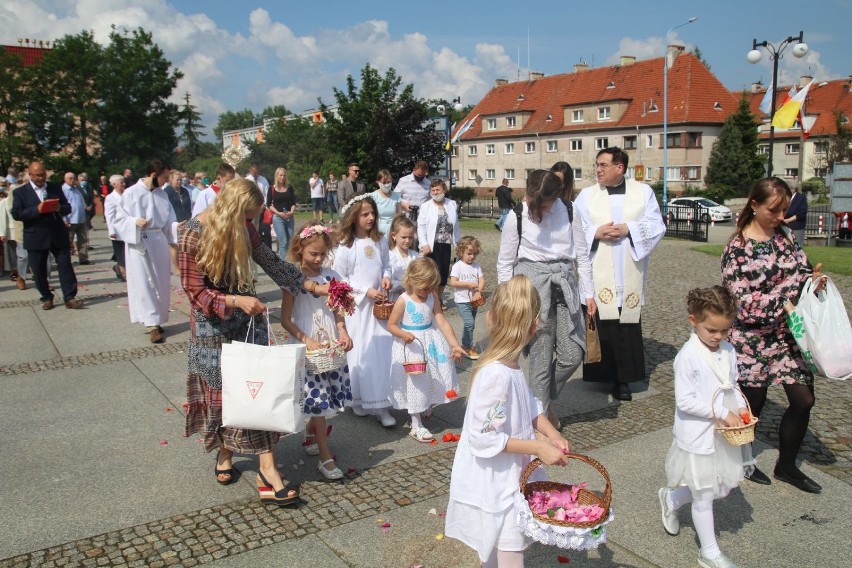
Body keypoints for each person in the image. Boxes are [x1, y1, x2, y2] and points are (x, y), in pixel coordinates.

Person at [179, 177, 306, 506]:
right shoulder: (192, 233)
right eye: (247, 217)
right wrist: (235, 301)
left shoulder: (245, 225)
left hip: (246, 323)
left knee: (257, 392)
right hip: (213, 329)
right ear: (231, 209)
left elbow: (268, 259)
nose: (251, 224)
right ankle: (224, 454)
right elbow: (196, 293)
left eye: (253, 218)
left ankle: (268, 470)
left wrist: (311, 285)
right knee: (226, 398)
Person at [445, 275, 571, 567]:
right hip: (496, 477)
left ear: (490, 318)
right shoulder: (496, 376)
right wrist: (537, 448)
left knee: (499, 544)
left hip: (509, 472)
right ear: (534, 326)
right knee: (510, 546)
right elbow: (484, 437)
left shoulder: (511, 367)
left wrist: (550, 433)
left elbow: (529, 405)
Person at [722, 176, 825, 494]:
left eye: (783, 210)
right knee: (753, 404)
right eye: (775, 210)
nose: (781, 216)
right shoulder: (736, 250)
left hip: (787, 336)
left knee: (804, 399)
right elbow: (745, 306)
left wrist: (813, 280)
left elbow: (802, 270)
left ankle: (787, 466)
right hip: (752, 339)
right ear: (754, 205)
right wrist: (789, 295)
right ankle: (742, 459)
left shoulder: (786, 236)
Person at [659, 286, 752, 568]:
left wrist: (742, 407)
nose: (718, 337)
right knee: (704, 494)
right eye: (712, 330)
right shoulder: (688, 356)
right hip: (698, 433)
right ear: (693, 321)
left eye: (725, 331)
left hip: (722, 432)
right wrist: (722, 412)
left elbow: (732, 384)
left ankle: (672, 498)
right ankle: (709, 553)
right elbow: (685, 401)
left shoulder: (727, 350)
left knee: (722, 486)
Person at [497, 170, 590, 426]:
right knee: (540, 356)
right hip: (533, 285)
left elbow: (581, 255)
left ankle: (537, 402)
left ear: (557, 196)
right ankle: (539, 420)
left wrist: (589, 293)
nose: (538, 211)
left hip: (564, 282)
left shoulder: (570, 211)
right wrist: (508, 300)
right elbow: (505, 262)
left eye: (545, 206)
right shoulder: (517, 214)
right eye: (532, 203)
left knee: (573, 354)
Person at [574, 147, 666, 401]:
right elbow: (575, 226)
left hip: (628, 272)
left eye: (603, 165)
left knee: (625, 325)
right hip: (598, 269)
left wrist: (629, 229)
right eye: (597, 165)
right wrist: (595, 232)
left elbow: (656, 225)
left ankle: (623, 379)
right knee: (601, 323)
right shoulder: (587, 195)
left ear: (620, 168)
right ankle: (601, 373)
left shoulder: (642, 192)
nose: (598, 170)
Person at [280, 223, 353, 481]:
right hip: (308, 346)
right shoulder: (294, 278)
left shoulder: (331, 276)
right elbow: (285, 319)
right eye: (313, 253)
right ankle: (325, 455)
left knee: (324, 398)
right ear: (300, 249)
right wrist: (306, 339)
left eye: (323, 254)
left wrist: (343, 331)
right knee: (319, 402)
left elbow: (337, 310)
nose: (319, 259)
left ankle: (312, 434)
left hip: (328, 345)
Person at [332, 194, 395, 426]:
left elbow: (387, 265)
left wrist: (387, 278)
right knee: (360, 353)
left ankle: (381, 405)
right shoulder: (346, 247)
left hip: (379, 308)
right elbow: (339, 279)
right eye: (364, 214)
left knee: (380, 352)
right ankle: (358, 398)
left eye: (372, 214)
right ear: (353, 217)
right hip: (357, 309)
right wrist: (364, 290)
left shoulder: (379, 240)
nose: (370, 218)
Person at [387, 257, 464, 441]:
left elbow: (442, 320)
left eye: (431, 287)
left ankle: (426, 402)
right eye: (424, 288)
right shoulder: (403, 300)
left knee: (433, 374)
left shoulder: (432, 296)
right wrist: (403, 334)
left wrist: (454, 344)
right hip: (412, 345)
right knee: (416, 382)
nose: (427, 291)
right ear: (411, 281)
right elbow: (391, 324)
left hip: (430, 342)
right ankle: (415, 423)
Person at [113, 160, 177, 343]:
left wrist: (176, 227)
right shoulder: (131, 193)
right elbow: (119, 219)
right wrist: (134, 222)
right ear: (154, 175)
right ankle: (151, 325)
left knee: (161, 281)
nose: (165, 182)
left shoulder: (162, 195)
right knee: (144, 283)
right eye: (164, 177)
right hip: (139, 241)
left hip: (158, 240)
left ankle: (158, 318)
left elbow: (169, 220)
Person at [11, 162, 83, 310]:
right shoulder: (20, 192)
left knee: (65, 266)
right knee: (38, 270)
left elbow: (67, 207)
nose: (41, 178)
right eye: (37, 175)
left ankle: (69, 297)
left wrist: (59, 208)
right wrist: (36, 209)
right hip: (35, 236)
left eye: (43, 174)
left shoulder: (55, 187)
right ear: (30, 175)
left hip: (57, 234)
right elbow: (17, 214)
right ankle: (46, 297)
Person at [417, 179, 460, 302]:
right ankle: (432, 300)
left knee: (443, 273)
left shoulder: (451, 204)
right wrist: (424, 244)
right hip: (431, 245)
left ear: (444, 190)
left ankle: (438, 299)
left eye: (438, 190)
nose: (435, 192)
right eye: (433, 190)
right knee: (432, 273)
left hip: (445, 243)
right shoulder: (426, 206)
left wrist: (458, 242)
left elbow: (456, 225)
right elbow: (421, 226)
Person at [449, 236, 485, 359]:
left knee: (471, 323)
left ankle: (465, 344)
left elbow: (481, 279)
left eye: (474, 253)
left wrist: (478, 291)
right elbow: (453, 282)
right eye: (469, 253)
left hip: (474, 300)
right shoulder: (457, 266)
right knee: (469, 323)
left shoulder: (476, 266)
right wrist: (468, 284)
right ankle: (468, 346)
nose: (472, 256)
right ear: (461, 252)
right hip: (462, 300)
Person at [0, 181, 27, 290]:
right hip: (11, 231)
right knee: (14, 254)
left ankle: (29, 273)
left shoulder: (25, 200)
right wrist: (2, 233)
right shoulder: (5, 202)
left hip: (24, 230)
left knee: (25, 255)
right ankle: (15, 271)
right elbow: (2, 218)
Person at [267, 167, 297, 260]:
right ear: (277, 176)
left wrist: (291, 212)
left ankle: (287, 260)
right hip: (278, 217)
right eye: (280, 175)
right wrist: (279, 213)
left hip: (289, 217)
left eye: (284, 175)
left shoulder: (289, 188)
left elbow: (293, 203)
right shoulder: (272, 188)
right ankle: (282, 265)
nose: (282, 177)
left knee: (290, 241)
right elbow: (269, 204)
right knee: (283, 242)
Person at [387, 215, 418, 301]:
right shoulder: (390, 257)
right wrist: (405, 285)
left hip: (413, 298)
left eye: (410, 237)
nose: (407, 241)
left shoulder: (415, 256)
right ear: (394, 236)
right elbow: (389, 282)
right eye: (404, 237)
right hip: (395, 299)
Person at [62, 172, 91, 265]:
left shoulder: (76, 189)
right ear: (65, 179)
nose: (73, 180)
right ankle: (65, 260)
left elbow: (81, 201)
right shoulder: (64, 190)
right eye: (70, 178)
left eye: (74, 178)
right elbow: (62, 205)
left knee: (83, 239)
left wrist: (85, 208)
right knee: (68, 241)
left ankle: (83, 258)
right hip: (70, 219)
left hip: (81, 218)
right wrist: (64, 218)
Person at [103, 175, 127, 282]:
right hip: (117, 230)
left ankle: (118, 268)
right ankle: (124, 274)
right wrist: (111, 231)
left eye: (123, 182)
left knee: (128, 253)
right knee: (121, 254)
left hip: (128, 228)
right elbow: (109, 215)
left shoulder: (127, 194)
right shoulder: (110, 198)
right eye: (121, 182)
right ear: (114, 184)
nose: (123, 184)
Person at [245, 162, 272, 247]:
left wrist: (264, 205)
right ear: (250, 170)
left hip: (263, 208)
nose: (256, 174)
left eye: (257, 172)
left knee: (263, 229)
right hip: (251, 208)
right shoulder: (246, 180)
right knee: (251, 227)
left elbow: (267, 194)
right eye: (254, 172)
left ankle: (259, 244)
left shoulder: (263, 180)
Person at [371, 169, 401, 235]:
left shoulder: (397, 196)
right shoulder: (373, 196)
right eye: (384, 183)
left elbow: (399, 215)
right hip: (378, 229)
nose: (387, 185)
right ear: (378, 183)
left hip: (393, 229)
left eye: (389, 182)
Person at [784, 181, 808, 245]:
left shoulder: (801, 198)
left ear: (793, 189)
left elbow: (802, 213)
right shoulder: (784, 197)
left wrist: (788, 220)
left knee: (797, 245)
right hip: (783, 226)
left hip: (796, 227)